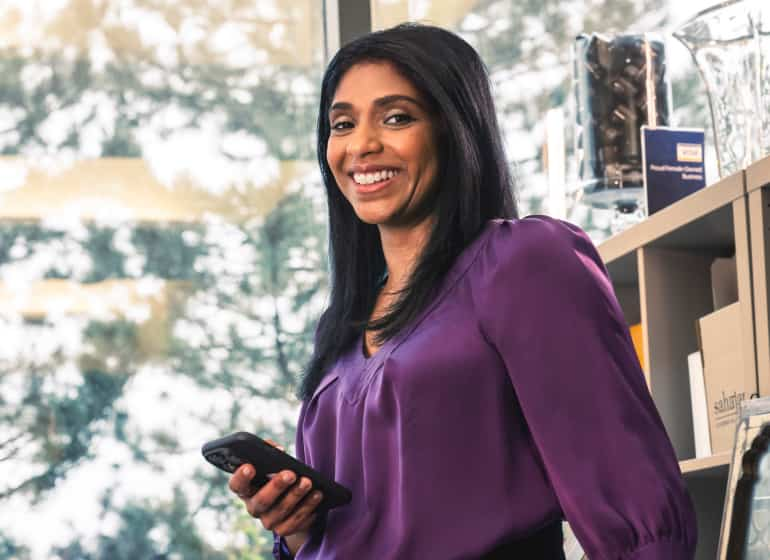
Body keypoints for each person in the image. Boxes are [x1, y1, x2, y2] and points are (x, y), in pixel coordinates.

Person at [228, 23, 697, 559]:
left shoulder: (522, 262)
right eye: (341, 124)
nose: (362, 145)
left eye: (396, 117)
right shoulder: (340, 327)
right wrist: (294, 528)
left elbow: (629, 491)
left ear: (455, 129)